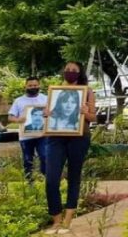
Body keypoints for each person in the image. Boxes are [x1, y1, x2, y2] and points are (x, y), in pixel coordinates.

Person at [44, 62, 96, 235]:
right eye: (67, 70)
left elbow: (93, 117)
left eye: (74, 71)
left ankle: (67, 220)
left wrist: (84, 112)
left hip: (79, 138)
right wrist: (47, 114)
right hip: (56, 137)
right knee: (51, 179)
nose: (70, 73)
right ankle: (56, 221)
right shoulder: (55, 91)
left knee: (74, 176)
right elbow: (51, 112)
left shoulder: (87, 91)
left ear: (80, 73)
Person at [8, 77, 48, 182]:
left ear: (39, 86)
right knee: (27, 160)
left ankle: (44, 180)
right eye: (30, 85)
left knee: (44, 156)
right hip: (25, 137)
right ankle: (29, 182)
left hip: (42, 135)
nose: (33, 87)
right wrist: (18, 120)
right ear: (25, 86)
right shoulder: (18, 101)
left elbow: (54, 113)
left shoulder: (46, 99)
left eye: (35, 85)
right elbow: (10, 117)